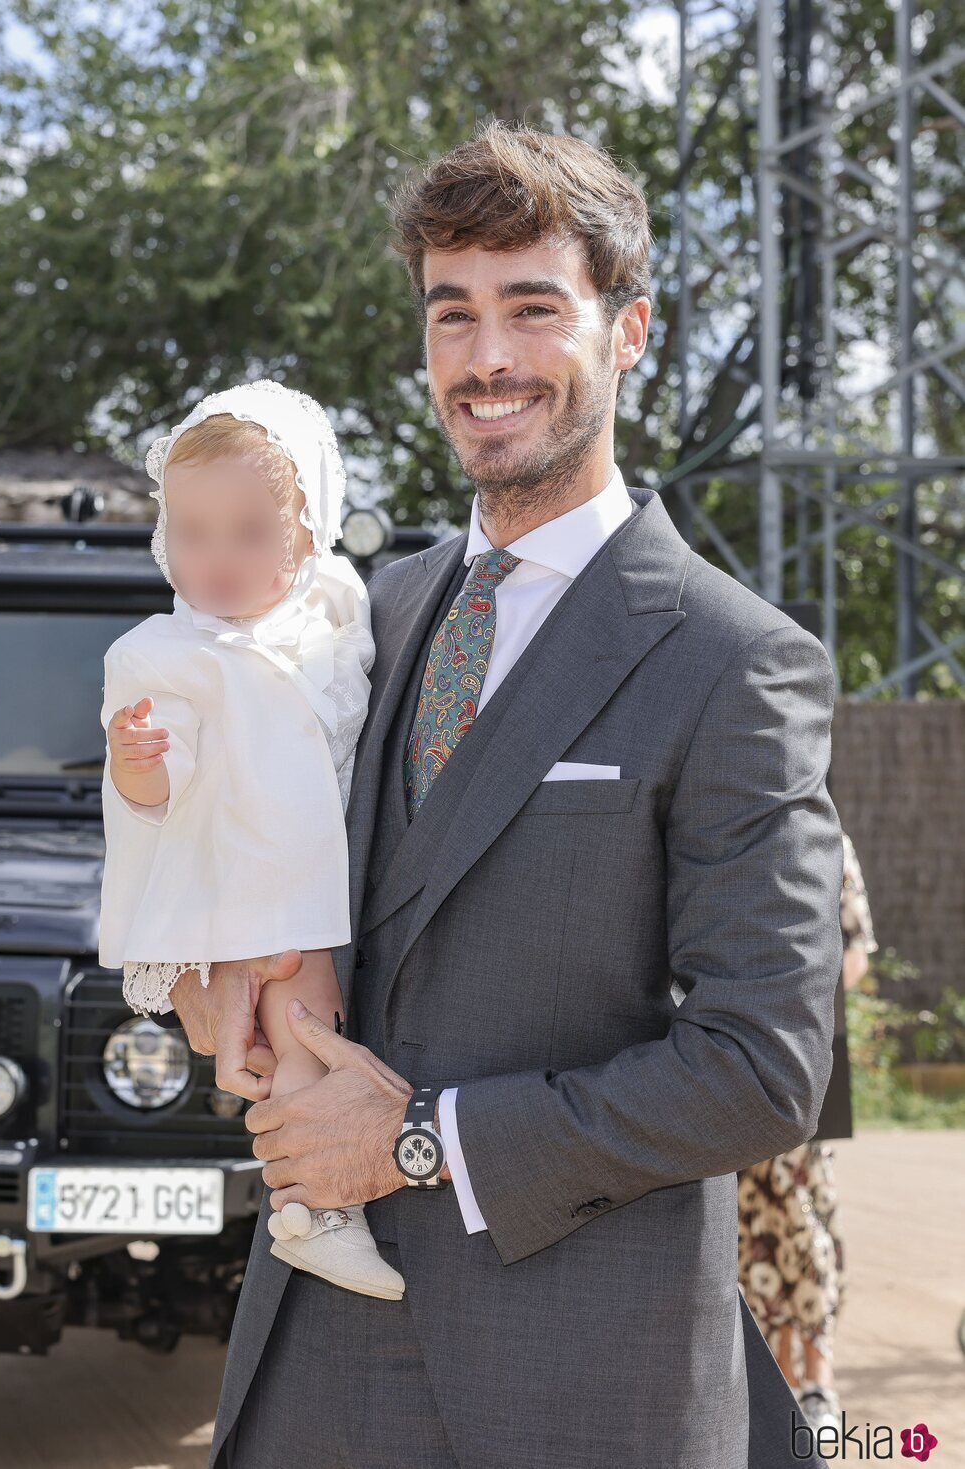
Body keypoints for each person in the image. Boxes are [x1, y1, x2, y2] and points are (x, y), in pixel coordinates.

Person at [159, 121, 843, 1468]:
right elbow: (304, 894)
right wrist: (220, 990)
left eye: (533, 309)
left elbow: (763, 1069)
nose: (486, 360)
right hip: (313, 1366)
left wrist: (415, 1142)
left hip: (580, 1391)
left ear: (628, 329)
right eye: (452, 314)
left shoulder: (733, 659)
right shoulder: (357, 612)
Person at [99, 379, 405, 1300]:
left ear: (309, 529)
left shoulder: (336, 613)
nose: (216, 558)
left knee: (306, 1031)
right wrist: (135, 759)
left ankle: (310, 1194)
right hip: (252, 881)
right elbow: (153, 796)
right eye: (192, 533)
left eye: (249, 532)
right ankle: (313, 1208)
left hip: (325, 869)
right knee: (303, 1018)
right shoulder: (165, 653)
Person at [738, 830, 878, 1435]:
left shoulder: (825, 842)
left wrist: (796, 1009)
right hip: (748, 1059)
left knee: (795, 1212)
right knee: (756, 1221)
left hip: (791, 1057)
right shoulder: (740, 826)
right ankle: (783, 1385)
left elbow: (855, 952)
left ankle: (814, 1381)